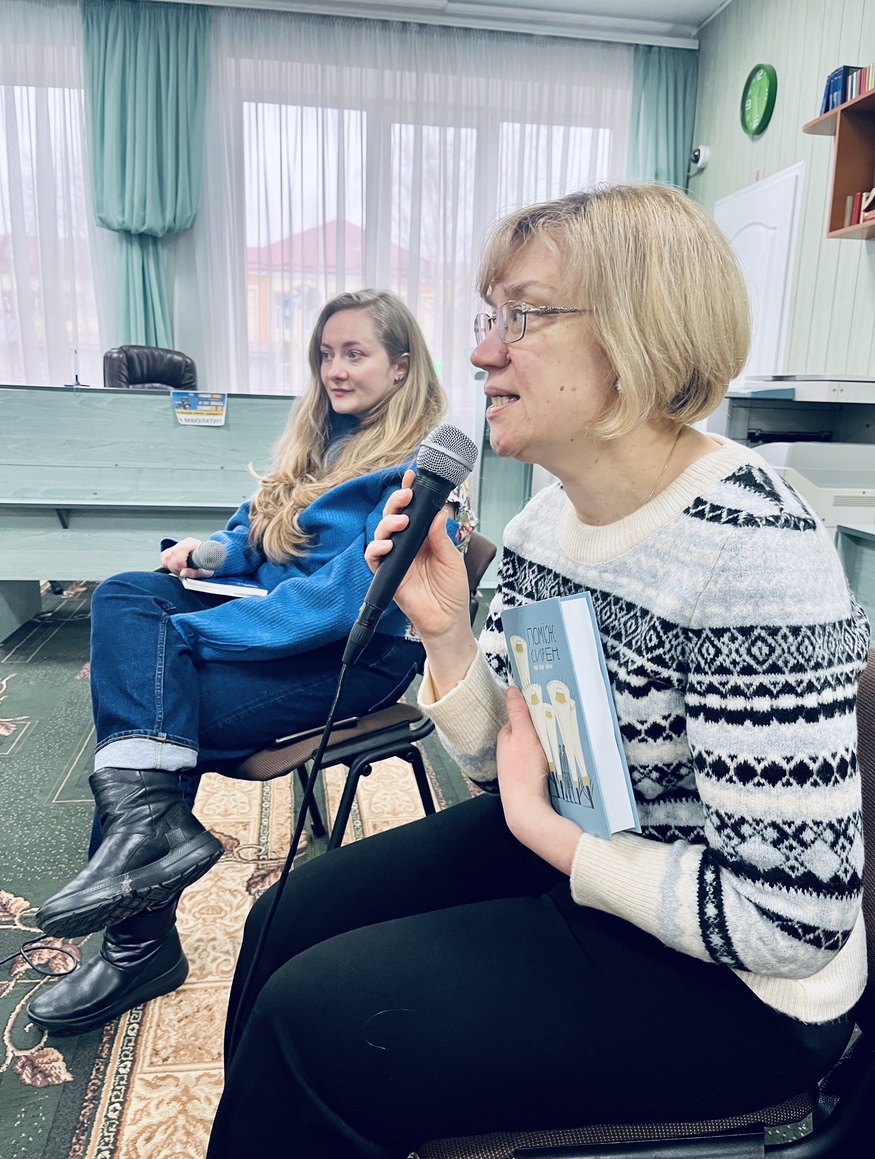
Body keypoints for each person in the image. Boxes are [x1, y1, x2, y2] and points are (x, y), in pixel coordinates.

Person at [206, 185, 868, 1159]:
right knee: (282, 922)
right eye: (489, 316)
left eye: (521, 316)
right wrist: (444, 635)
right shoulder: (542, 526)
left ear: (638, 332)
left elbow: (789, 923)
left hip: (743, 988)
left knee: (311, 1021)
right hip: (593, 851)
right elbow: (506, 769)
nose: (481, 353)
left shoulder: (751, 551)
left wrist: (550, 837)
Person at [28, 288, 460, 1037]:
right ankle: (149, 829)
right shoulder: (319, 438)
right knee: (126, 595)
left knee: (163, 696)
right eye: (325, 354)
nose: (333, 370)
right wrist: (210, 553)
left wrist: (195, 633)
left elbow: (340, 603)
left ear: (400, 365)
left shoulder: (416, 470)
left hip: (355, 653)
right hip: (274, 617)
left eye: (354, 354)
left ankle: (137, 945)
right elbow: (256, 529)